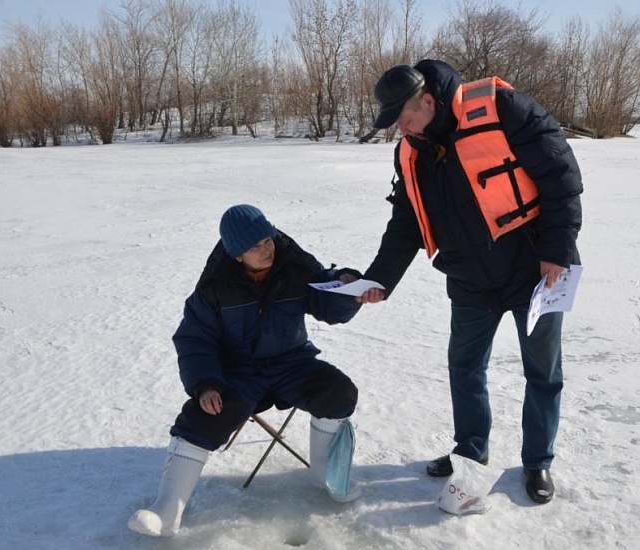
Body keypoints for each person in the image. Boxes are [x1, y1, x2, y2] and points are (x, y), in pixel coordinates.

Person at [358, 60, 583, 505]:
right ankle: (470, 456)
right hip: (469, 276)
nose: (400, 131)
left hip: (535, 270)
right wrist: (380, 278)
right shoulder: (412, 151)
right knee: (465, 368)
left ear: (427, 101)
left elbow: (561, 178)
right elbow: (406, 220)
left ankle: (537, 461)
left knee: (542, 373)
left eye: (403, 120)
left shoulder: (503, 107)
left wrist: (556, 252)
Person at [128, 204, 362, 538]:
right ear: (237, 254)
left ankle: (324, 474)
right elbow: (195, 339)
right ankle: (166, 511)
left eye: (267, 239)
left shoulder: (294, 265)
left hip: (291, 363)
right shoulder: (214, 286)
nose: (267, 249)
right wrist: (206, 384)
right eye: (256, 246)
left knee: (338, 392)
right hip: (239, 373)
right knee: (202, 416)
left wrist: (344, 287)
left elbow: (326, 301)